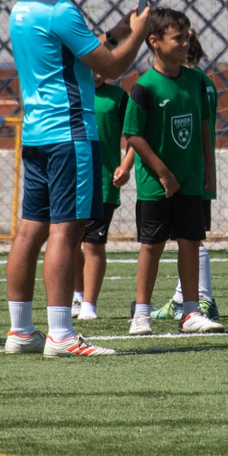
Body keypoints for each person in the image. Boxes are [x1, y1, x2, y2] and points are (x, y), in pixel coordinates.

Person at [4, 0, 147, 358]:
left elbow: (70, 54)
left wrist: (111, 37)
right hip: (72, 135)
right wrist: (138, 32)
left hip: (36, 134)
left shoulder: (22, 9)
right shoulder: (62, 11)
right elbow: (111, 67)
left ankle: (20, 331)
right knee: (68, 232)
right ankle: (62, 335)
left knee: (30, 229)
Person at [125, 8, 223, 335]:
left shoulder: (196, 81)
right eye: (177, 38)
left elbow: (204, 125)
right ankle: (141, 313)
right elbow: (134, 135)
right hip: (156, 183)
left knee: (190, 242)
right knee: (152, 245)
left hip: (192, 179)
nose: (185, 43)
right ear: (154, 42)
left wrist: (209, 166)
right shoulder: (145, 87)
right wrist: (163, 172)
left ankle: (191, 311)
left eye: (186, 36)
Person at [154, 29, 221, 321]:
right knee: (186, 237)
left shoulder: (196, 84)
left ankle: (202, 300)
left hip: (190, 172)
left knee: (192, 239)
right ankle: (183, 297)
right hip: (192, 170)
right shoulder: (202, 82)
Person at [75, 21, 136, 321]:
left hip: (102, 184)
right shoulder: (71, 94)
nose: (98, 70)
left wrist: (126, 165)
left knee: (93, 244)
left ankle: (89, 304)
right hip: (71, 180)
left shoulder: (119, 98)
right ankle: (74, 296)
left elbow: (136, 135)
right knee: (67, 240)